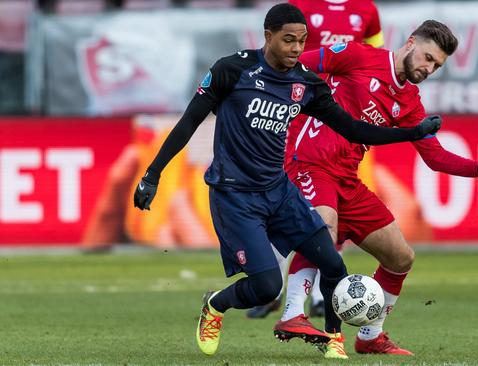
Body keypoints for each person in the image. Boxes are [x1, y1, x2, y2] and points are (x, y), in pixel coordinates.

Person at [132, 3, 440, 360]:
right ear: (268, 37)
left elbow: (353, 129)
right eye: (289, 40)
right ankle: (215, 305)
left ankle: (333, 342)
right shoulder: (232, 70)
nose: (296, 49)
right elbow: (187, 124)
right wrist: (152, 175)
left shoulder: (305, 83)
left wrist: (411, 132)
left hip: (278, 193)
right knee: (266, 287)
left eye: (302, 41)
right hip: (235, 195)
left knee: (334, 264)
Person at [274, 20, 478, 356]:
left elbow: (435, 157)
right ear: (411, 42)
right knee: (323, 232)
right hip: (309, 161)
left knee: (401, 257)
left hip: (347, 178)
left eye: (436, 65)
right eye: (428, 58)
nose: (429, 68)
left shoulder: (409, 103)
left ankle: (370, 336)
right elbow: (299, 64)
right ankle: (293, 313)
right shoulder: (359, 56)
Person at [247, 0, 385, 320]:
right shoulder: (300, 6)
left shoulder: (366, 9)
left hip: (340, 119)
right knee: (281, 201)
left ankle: (323, 296)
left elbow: (375, 57)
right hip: (298, 109)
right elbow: (278, 55)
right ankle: (272, 288)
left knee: (330, 207)